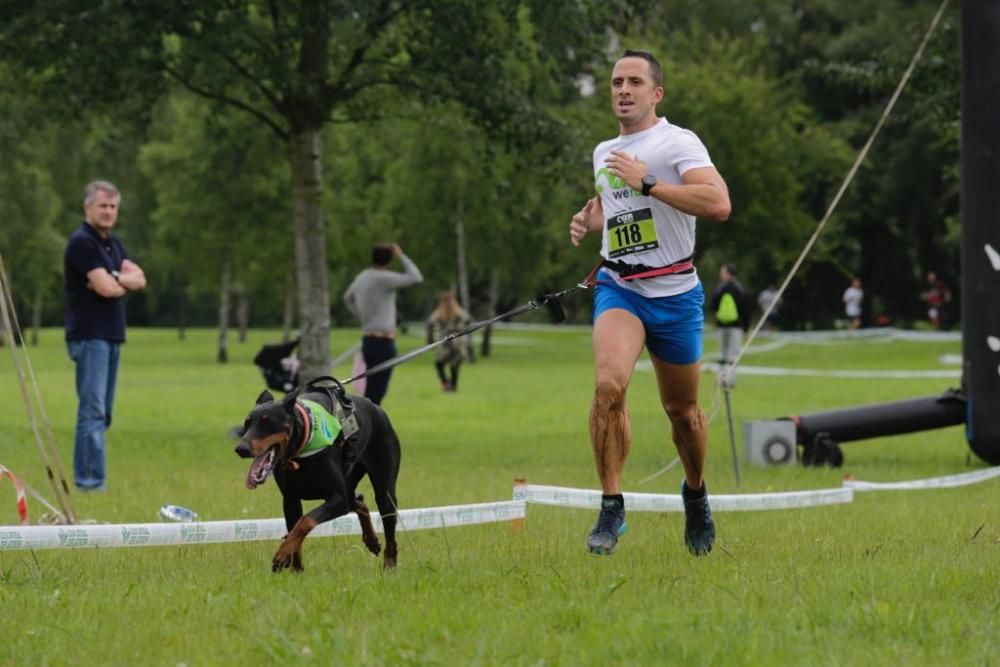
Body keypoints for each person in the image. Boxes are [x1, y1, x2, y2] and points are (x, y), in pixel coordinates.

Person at [568, 49, 731, 557]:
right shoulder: (603, 151)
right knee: (607, 385)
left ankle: (696, 493)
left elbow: (718, 203)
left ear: (655, 93)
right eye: (617, 81)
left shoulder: (676, 142)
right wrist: (591, 219)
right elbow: (620, 205)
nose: (623, 89)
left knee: (682, 413)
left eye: (634, 81)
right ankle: (612, 507)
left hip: (677, 293)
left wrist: (650, 181)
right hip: (621, 288)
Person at [64, 180, 146, 491]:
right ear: (87, 207)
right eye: (103, 206)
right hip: (89, 336)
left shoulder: (112, 244)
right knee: (93, 411)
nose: (109, 212)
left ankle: (91, 477)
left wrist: (114, 277)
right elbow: (108, 288)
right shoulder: (82, 242)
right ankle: (89, 482)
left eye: (113, 207)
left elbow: (140, 279)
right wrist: (117, 280)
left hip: (111, 335)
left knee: (104, 412)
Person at [343, 243, 423, 405]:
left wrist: (361, 315)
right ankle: (368, 427)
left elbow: (347, 298)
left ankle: (366, 424)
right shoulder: (385, 278)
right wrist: (401, 256)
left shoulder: (362, 277)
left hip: (368, 341)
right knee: (376, 394)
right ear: (389, 260)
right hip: (384, 342)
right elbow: (416, 277)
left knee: (370, 390)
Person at [709, 264, 750, 385]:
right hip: (736, 326)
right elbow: (746, 309)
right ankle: (730, 380)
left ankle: (721, 379)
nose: (721, 274)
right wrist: (746, 328)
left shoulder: (720, 288)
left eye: (722, 272)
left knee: (722, 353)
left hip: (722, 326)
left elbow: (713, 305)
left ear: (728, 273)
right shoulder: (740, 289)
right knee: (734, 354)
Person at [427, 291, 472, 392]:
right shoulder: (459, 311)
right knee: (454, 365)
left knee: (440, 364)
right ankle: (452, 385)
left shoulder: (440, 312)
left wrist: (430, 340)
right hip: (457, 341)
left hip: (446, 341)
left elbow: (430, 322)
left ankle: (446, 383)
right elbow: (468, 320)